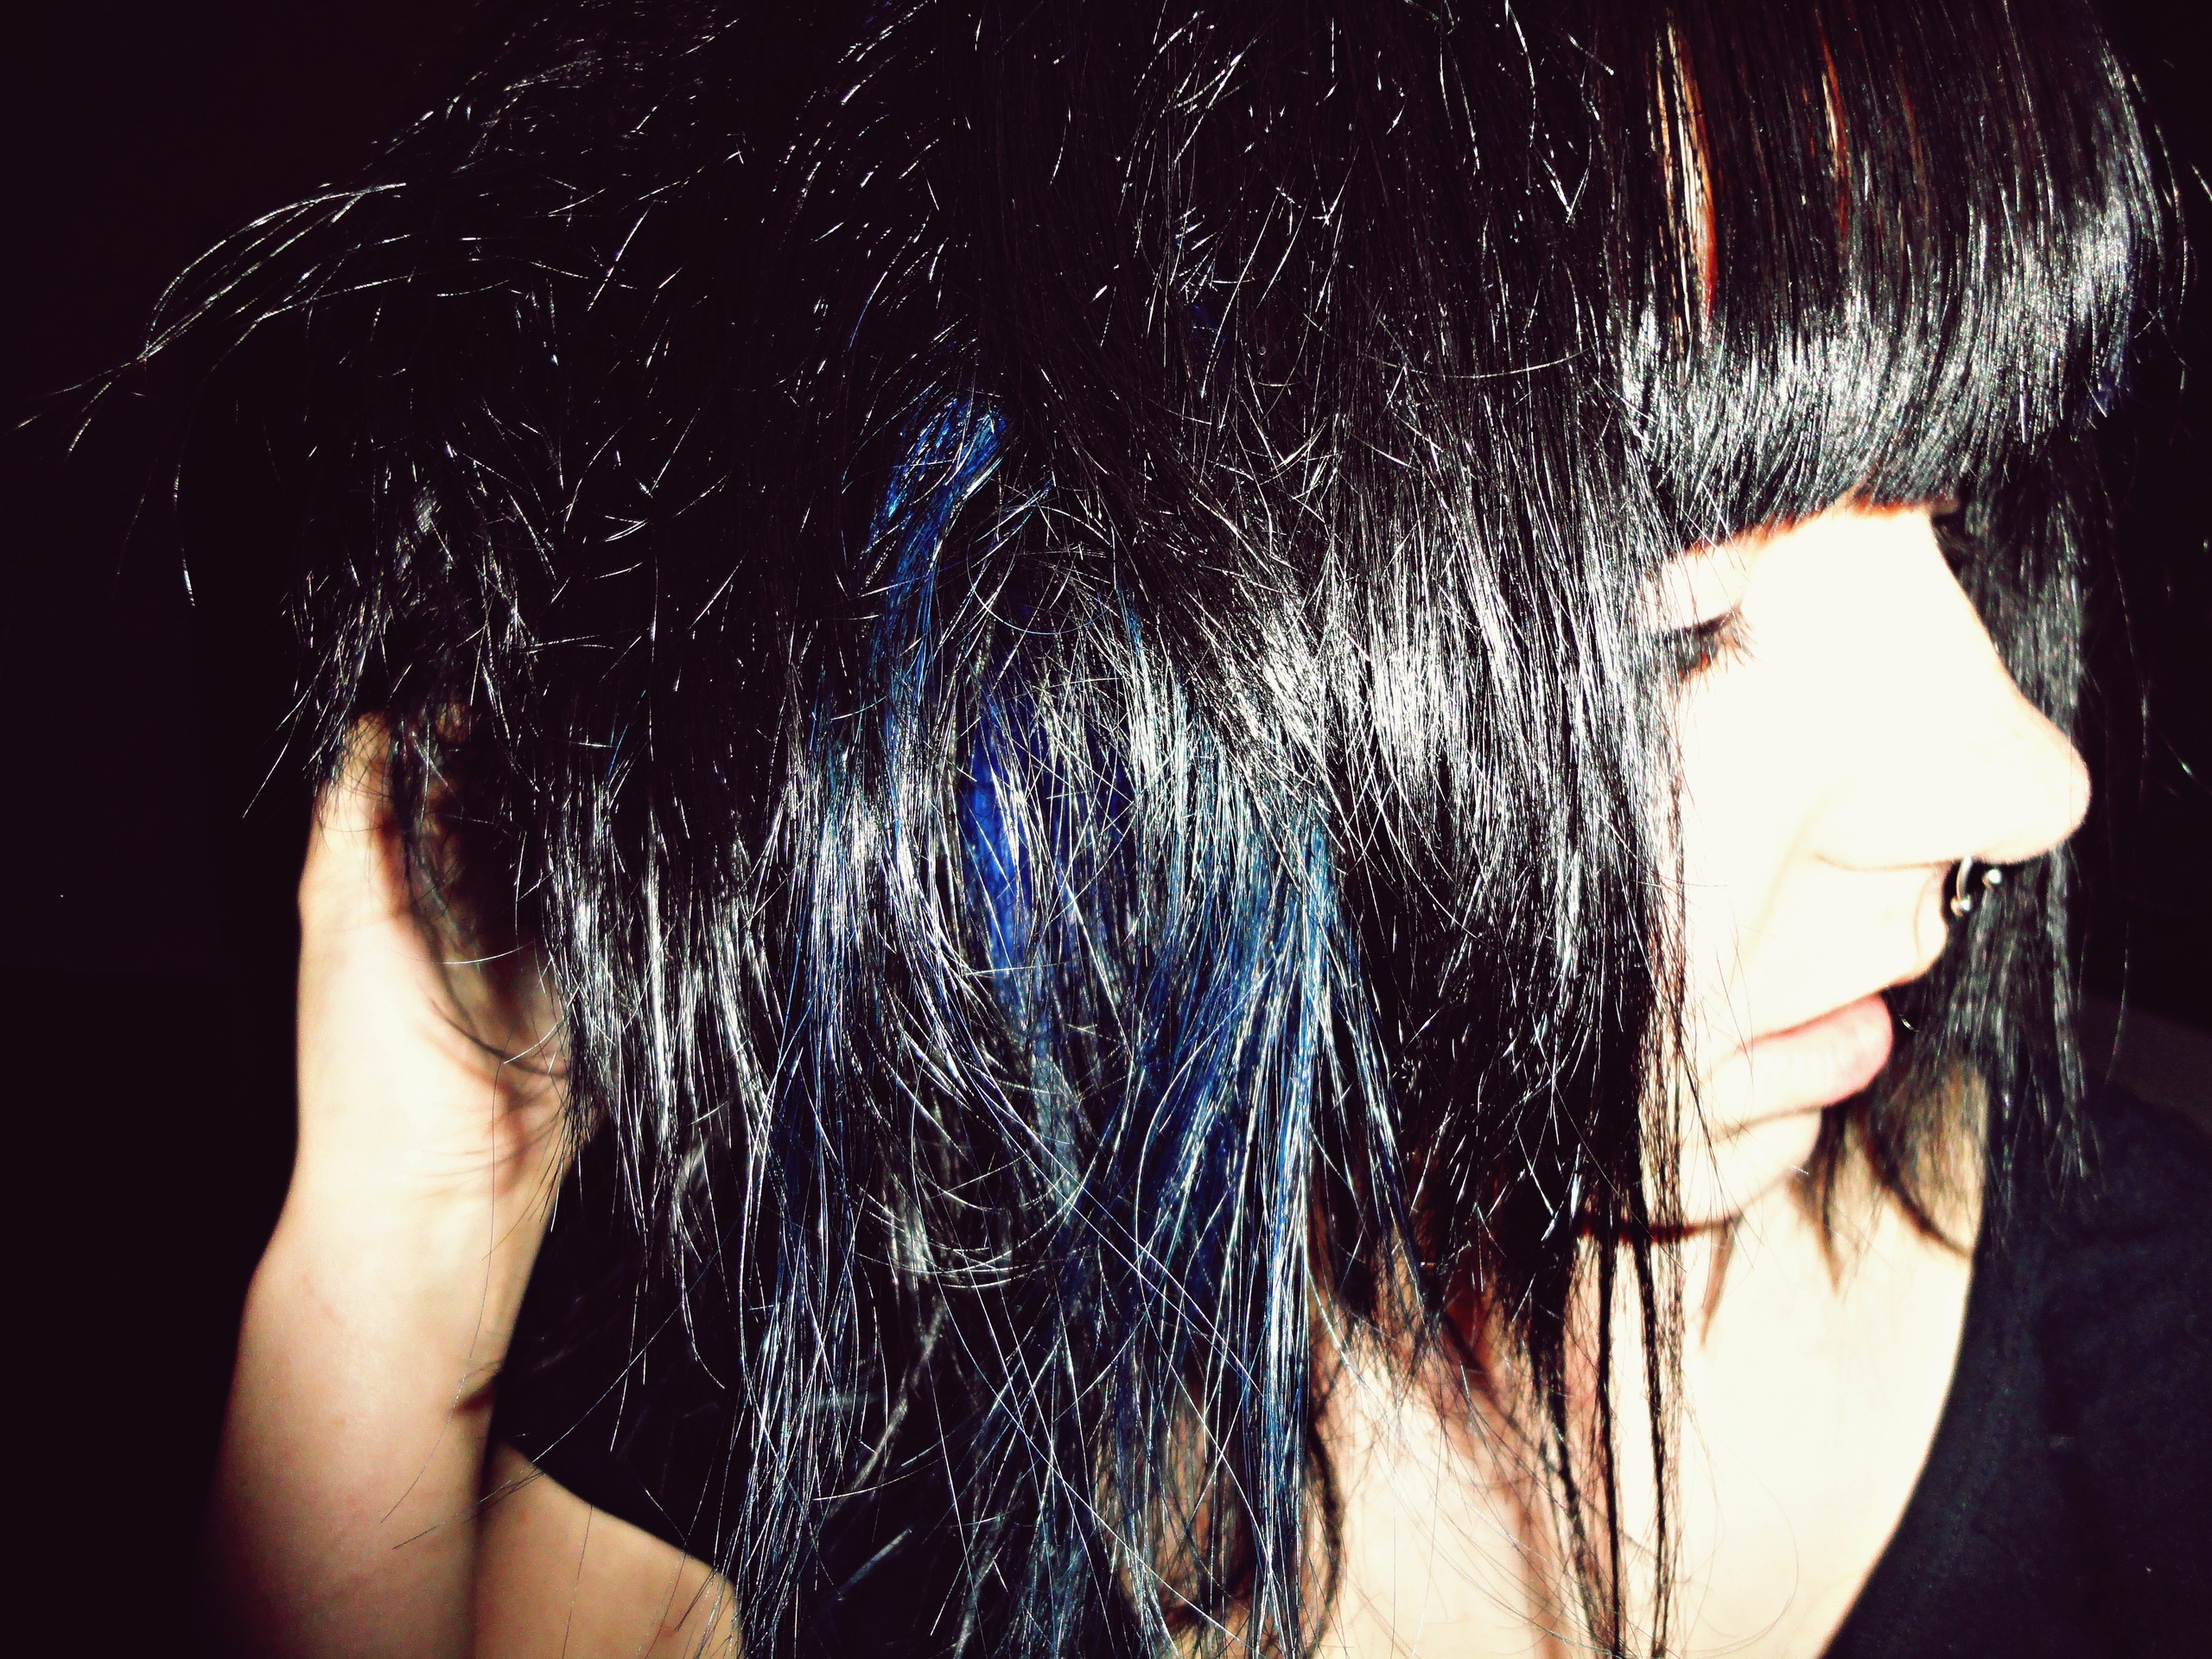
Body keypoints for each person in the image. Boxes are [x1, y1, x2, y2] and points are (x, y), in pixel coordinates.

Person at [169, 0, 2211, 1654]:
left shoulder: (2154, 1381)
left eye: (1952, 506)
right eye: (1669, 628)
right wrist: (409, 1229)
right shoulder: (894, 1300)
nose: (2018, 779)